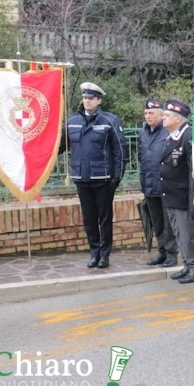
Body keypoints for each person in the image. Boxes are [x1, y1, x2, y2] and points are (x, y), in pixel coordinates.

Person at [60, 82, 126, 269]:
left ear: (99, 100)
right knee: (89, 218)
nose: (87, 101)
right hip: (81, 177)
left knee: (104, 218)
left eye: (91, 98)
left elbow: (119, 150)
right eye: (85, 98)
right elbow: (60, 145)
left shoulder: (110, 121)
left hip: (103, 178)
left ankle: (105, 254)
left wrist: (117, 176)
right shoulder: (72, 121)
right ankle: (94, 252)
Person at [159, 99, 194, 284]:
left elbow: (192, 170)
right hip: (170, 194)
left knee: (187, 233)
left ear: (178, 118)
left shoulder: (188, 136)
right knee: (179, 233)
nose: (163, 118)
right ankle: (188, 264)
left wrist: (192, 196)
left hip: (182, 195)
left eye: (167, 115)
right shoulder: (172, 136)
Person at [138, 99, 177, 268]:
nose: (148, 116)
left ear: (162, 115)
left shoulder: (168, 132)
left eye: (151, 113)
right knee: (157, 222)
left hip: (165, 185)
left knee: (169, 223)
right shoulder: (143, 133)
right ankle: (162, 252)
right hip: (149, 184)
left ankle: (171, 254)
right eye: (146, 113)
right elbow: (142, 158)